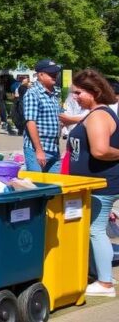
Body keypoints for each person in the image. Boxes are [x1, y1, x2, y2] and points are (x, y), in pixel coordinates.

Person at [62, 70, 119, 297]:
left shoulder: (98, 116)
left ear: (95, 92)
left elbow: (100, 150)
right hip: (93, 183)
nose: (75, 97)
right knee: (92, 229)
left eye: (79, 93)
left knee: (95, 230)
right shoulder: (92, 114)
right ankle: (99, 274)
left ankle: (105, 284)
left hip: (102, 184)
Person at [23, 59, 77, 173]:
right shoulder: (32, 93)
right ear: (40, 75)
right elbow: (30, 122)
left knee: (54, 186)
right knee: (37, 186)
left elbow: (60, 116)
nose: (55, 76)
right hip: (38, 149)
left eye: (56, 73)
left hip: (54, 148)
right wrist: (39, 150)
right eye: (51, 73)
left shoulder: (56, 92)